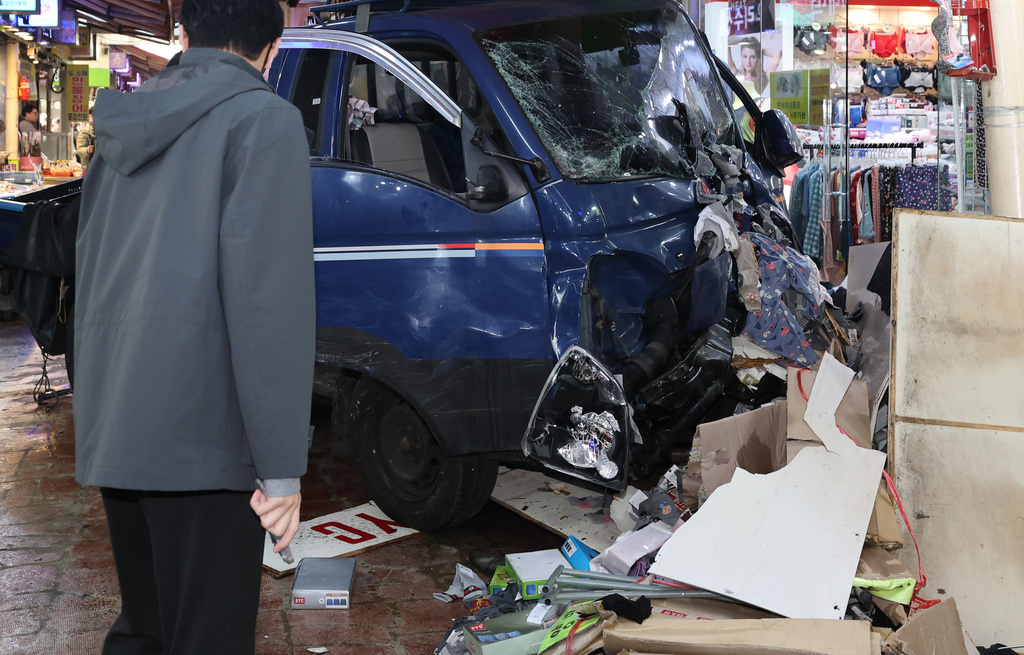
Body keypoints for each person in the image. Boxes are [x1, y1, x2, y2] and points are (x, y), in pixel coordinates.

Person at [74, 0, 315, 652]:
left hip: (120, 428)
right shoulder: (265, 119)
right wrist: (282, 467)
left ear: (185, 34)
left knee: (148, 630)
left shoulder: (122, 125)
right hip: (205, 441)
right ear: (275, 43)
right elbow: (268, 303)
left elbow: (92, 271)